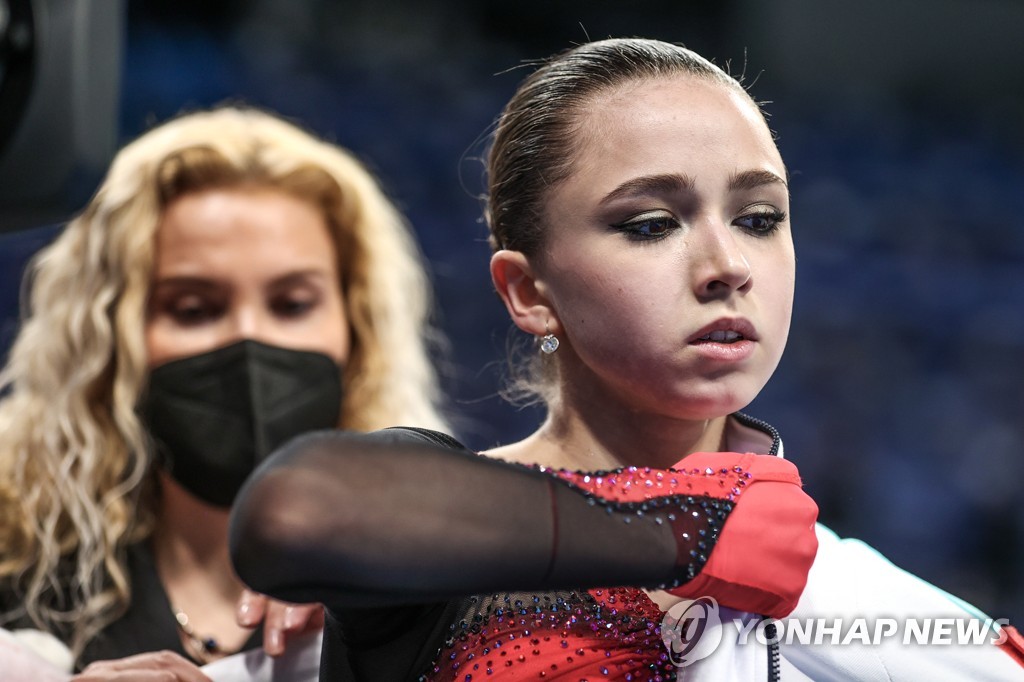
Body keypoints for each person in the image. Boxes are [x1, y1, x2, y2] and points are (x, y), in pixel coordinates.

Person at [229, 39, 1024, 681]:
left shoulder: (850, 596)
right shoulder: (426, 533)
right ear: (528, 292)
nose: (727, 263)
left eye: (758, 216)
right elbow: (294, 509)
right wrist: (686, 528)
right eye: (649, 224)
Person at [0, 105, 450, 680]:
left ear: (355, 332)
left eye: (292, 305)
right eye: (193, 309)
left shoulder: (425, 584)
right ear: (114, 338)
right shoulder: (16, 568)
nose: (248, 337)